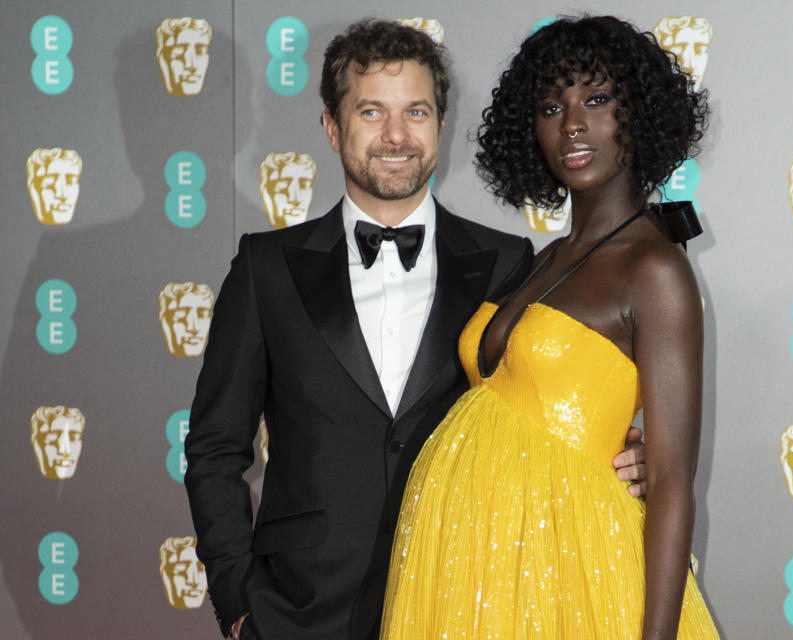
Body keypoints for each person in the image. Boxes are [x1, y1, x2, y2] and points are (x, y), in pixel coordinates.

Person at [184, 20, 646, 640]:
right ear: (331, 126)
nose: (396, 136)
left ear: (440, 125)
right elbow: (214, 448)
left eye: (416, 112)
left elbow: (544, 412)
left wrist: (619, 454)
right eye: (371, 111)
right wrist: (239, 604)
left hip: (463, 597)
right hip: (300, 611)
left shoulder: (510, 262)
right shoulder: (267, 268)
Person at [381, 16, 718, 638]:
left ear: (637, 114)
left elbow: (671, 481)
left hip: (575, 579)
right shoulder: (540, 260)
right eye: (549, 106)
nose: (572, 124)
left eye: (596, 99)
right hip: (473, 577)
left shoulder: (655, 270)